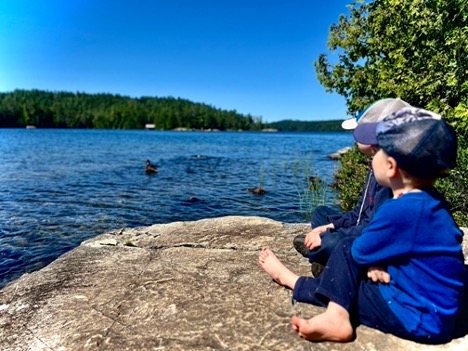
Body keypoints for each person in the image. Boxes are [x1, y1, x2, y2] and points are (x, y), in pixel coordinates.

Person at [259, 107, 465, 343]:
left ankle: (304, 291)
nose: (372, 155)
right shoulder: (433, 203)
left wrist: (369, 261)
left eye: (377, 150)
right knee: (348, 266)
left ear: (390, 166)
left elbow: (357, 251)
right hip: (439, 310)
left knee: (346, 264)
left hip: (415, 316)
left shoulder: (397, 210)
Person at [294, 98, 410, 276]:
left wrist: (330, 233)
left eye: (358, 130)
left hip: (370, 238)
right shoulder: (375, 167)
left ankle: (325, 255)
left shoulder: (390, 177)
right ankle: (325, 255)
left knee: (333, 242)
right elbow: (358, 214)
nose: (354, 136)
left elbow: (371, 228)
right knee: (320, 213)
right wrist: (329, 226)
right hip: (360, 229)